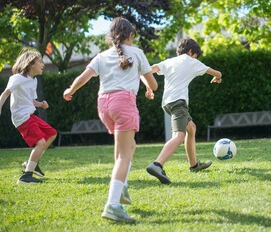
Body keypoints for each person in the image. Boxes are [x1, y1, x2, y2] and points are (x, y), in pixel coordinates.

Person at [63, 17, 158, 222]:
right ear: (130, 35)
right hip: (123, 103)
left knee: (128, 147)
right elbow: (153, 83)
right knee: (125, 155)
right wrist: (150, 86)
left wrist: (70, 90)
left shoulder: (102, 55)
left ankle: (121, 185)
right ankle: (113, 205)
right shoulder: (137, 53)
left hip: (104, 105)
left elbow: (84, 77)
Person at [145, 37, 222, 184]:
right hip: (178, 103)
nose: (195, 58)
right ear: (191, 51)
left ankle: (194, 165)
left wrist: (148, 87)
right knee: (179, 137)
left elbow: (150, 70)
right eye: (195, 55)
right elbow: (217, 73)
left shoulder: (169, 61)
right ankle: (157, 165)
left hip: (167, 103)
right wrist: (217, 79)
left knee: (191, 128)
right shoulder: (192, 61)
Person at [0, 50, 57, 184]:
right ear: (31, 64)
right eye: (40, 61)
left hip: (29, 114)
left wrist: (41, 104)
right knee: (41, 142)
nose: (43, 64)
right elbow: (5, 94)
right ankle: (26, 177)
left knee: (51, 133)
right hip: (21, 117)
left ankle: (32, 163)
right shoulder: (17, 78)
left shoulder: (34, 80)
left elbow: (31, 100)